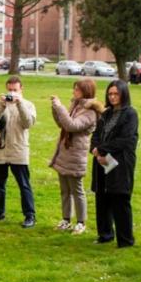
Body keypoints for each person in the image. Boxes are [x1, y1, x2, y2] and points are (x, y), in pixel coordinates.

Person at [49, 78, 101, 235]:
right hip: (65, 153)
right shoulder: (76, 104)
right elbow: (62, 124)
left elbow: (72, 126)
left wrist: (60, 107)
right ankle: (66, 219)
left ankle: (81, 222)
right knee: (64, 189)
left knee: (77, 190)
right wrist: (55, 109)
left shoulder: (91, 110)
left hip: (76, 155)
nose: (74, 92)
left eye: (77, 89)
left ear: (86, 91)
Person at [90, 80, 139, 248]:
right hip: (101, 161)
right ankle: (105, 234)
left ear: (123, 94)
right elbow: (96, 134)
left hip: (120, 162)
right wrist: (95, 150)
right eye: (110, 94)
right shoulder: (106, 114)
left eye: (116, 94)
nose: (112, 97)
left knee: (119, 198)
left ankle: (125, 239)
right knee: (102, 197)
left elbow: (125, 139)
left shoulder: (130, 114)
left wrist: (103, 150)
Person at [0, 76, 37, 228]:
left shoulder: (29, 105)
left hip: (18, 150)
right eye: (10, 90)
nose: (12, 93)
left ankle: (30, 215)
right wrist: (1, 104)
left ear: (21, 90)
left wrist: (19, 103)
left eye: (15, 90)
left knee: (24, 184)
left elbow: (28, 123)